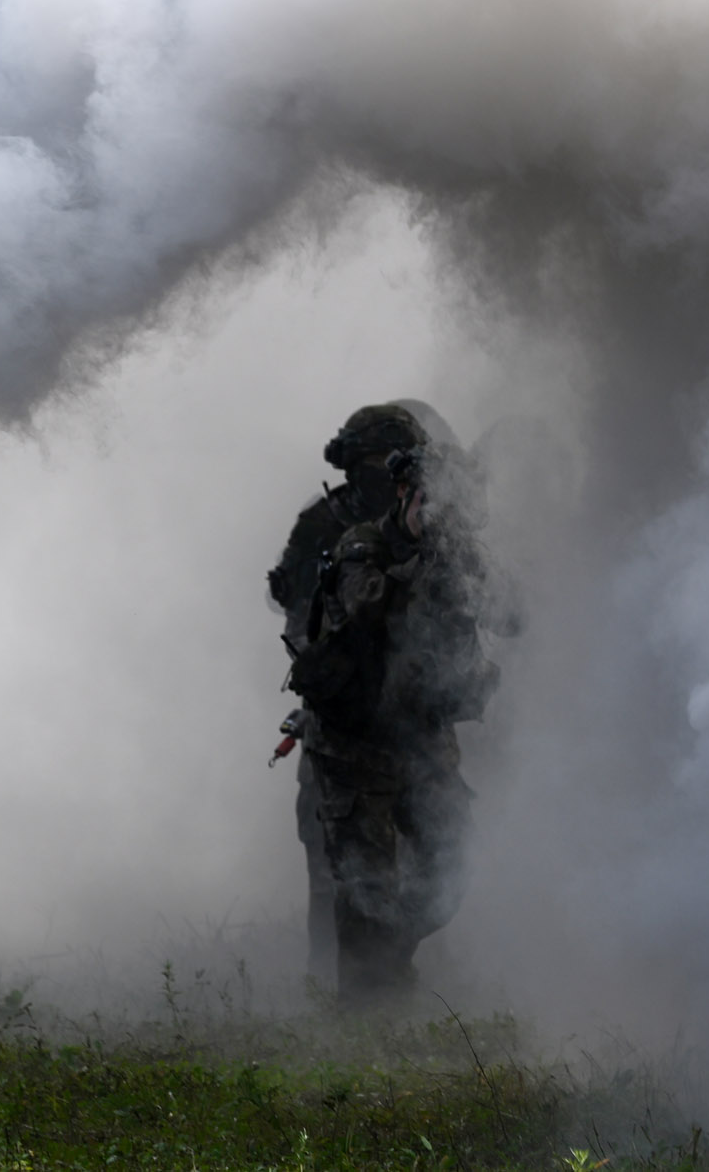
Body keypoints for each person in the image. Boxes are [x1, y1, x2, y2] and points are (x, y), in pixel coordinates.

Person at [268, 403, 496, 1004]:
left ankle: (392, 971)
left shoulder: (453, 544)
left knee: (443, 867)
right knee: (349, 878)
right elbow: (326, 611)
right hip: (352, 735)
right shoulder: (349, 538)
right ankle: (356, 1005)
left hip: (419, 737)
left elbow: (507, 612)